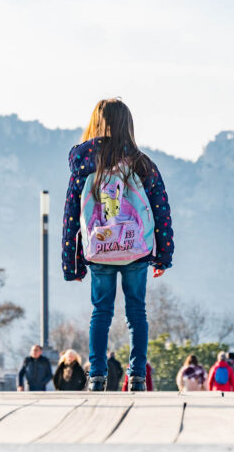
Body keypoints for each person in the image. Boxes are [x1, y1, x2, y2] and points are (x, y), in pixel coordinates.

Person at [61, 99, 175, 392]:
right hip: (135, 248)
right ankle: (136, 376)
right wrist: (163, 255)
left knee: (101, 312)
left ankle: (97, 375)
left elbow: (71, 214)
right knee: (137, 312)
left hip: (100, 250)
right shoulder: (141, 162)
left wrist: (70, 263)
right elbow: (160, 209)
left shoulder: (84, 162)